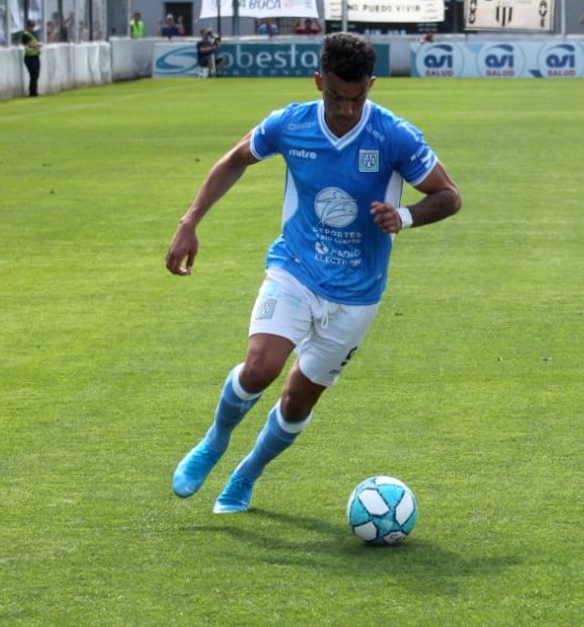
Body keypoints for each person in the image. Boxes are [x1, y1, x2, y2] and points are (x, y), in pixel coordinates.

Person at [165, 32, 462, 514]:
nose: (346, 109)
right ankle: (214, 441)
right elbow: (236, 158)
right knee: (260, 368)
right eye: (335, 96)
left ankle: (246, 474)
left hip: (358, 293)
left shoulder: (394, 135)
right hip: (296, 268)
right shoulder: (291, 124)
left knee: (298, 400)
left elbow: (449, 195)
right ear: (318, 80)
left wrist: (404, 216)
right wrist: (190, 221)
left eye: (357, 97)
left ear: (371, 84)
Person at [21, 20, 43, 97]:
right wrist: (37, 44)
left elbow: (39, 43)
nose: (32, 27)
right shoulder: (25, 34)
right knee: (33, 74)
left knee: (36, 74)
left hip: (36, 55)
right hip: (29, 57)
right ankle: (32, 92)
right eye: (31, 26)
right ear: (27, 26)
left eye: (33, 26)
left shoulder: (33, 34)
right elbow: (31, 44)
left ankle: (34, 90)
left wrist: (38, 44)